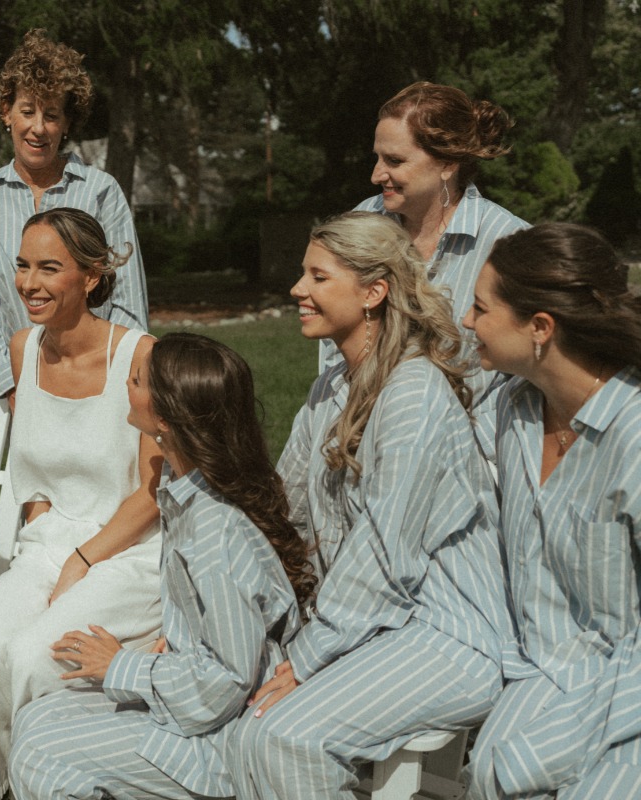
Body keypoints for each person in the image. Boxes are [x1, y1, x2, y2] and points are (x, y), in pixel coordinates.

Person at [229, 212, 512, 798]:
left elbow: (384, 557)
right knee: (241, 723)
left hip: (444, 632)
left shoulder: (414, 396)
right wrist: (221, 603)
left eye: (317, 277)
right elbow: (283, 513)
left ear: (373, 292)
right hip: (370, 624)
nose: (297, 290)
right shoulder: (333, 385)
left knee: (284, 736)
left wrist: (305, 657)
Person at [8, 332, 315, 800]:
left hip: (219, 742)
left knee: (42, 752)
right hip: (192, 707)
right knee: (36, 717)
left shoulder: (216, 534)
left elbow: (226, 681)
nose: (123, 388)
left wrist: (120, 665)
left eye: (133, 380)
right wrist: (167, 643)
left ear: (166, 419)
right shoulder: (182, 488)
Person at [0, 207, 162, 800]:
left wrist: (84, 559)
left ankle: (49, 781)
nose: (29, 283)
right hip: (48, 544)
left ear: (92, 276)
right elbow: (35, 469)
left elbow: (152, 493)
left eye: (50, 268)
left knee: (29, 659)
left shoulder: (141, 354)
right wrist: (46, 533)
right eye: (22, 266)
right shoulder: (24, 349)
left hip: (127, 551)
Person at [461, 224, 641, 798]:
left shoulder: (633, 435)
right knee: (491, 776)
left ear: (540, 328)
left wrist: (559, 742)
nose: (467, 322)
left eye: (480, 308)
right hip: (540, 667)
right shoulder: (513, 406)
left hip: (626, 687)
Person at [321, 81, 529, 461]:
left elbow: (523, 377)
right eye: (377, 157)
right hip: (358, 451)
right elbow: (332, 348)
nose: (376, 175)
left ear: (448, 164)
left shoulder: (509, 244)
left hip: (465, 463)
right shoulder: (361, 224)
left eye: (394, 161)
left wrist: (462, 450)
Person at [0, 28, 149, 399]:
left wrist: (116, 381)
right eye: (27, 111)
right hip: (26, 379)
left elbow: (129, 298)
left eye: (52, 115)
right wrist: (10, 385)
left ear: (66, 123)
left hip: (103, 381)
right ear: (6, 113)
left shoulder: (100, 190)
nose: (38, 128)